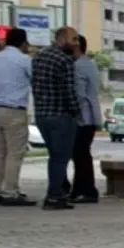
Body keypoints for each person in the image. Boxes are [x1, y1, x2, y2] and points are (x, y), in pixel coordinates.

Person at [0, 28, 33, 206]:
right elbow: (33, 80)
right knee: (15, 152)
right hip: (13, 110)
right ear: (23, 43)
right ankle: (10, 192)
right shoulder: (23, 59)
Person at [32, 26, 81, 211]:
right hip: (61, 116)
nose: (76, 44)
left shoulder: (39, 57)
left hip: (42, 115)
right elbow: (69, 91)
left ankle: (56, 193)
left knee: (54, 156)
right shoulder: (65, 60)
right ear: (62, 39)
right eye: (74, 39)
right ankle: (53, 196)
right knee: (61, 158)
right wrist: (77, 112)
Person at [67, 35, 102, 203]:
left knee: (81, 154)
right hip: (87, 117)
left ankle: (87, 190)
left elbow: (82, 94)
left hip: (83, 117)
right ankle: (79, 189)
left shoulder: (81, 66)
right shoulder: (87, 64)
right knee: (79, 154)